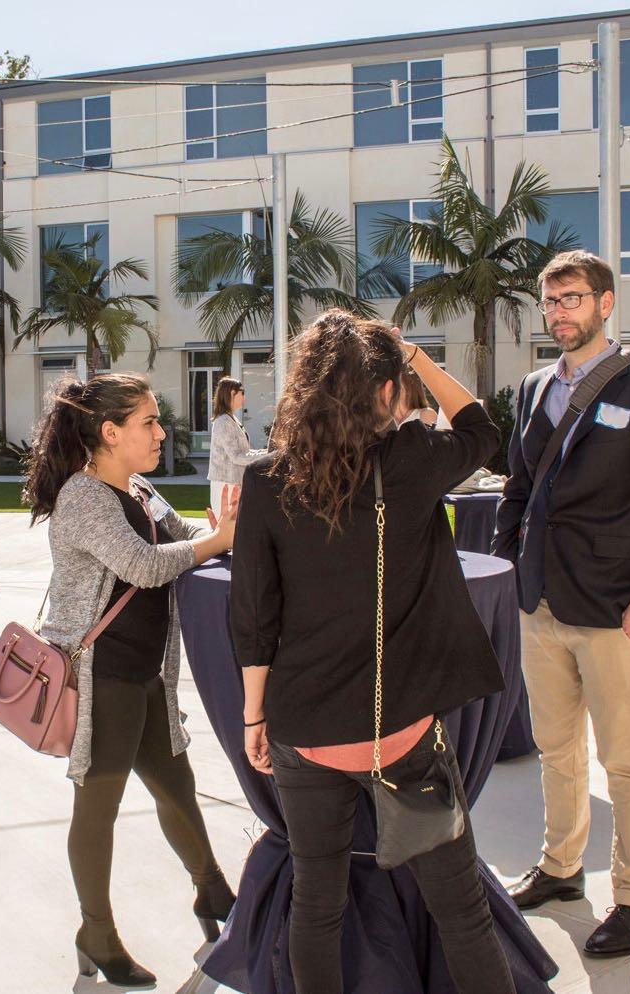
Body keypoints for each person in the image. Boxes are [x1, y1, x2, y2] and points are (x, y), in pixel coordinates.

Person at [231, 310, 515, 994]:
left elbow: (253, 619)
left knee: (317, 905)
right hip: (401, 729)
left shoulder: (265, 480)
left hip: (305, 732)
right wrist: (415, 357)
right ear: (386, 391)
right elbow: (482, 428)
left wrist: (252, 720)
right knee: (462, 913)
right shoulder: (413, 462)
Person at [494, 250, 630, 958]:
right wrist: (510, 562)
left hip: (618, 611)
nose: (559, 313)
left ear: (606, 304)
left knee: (626, 760)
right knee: (557, 751)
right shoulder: (531, 387)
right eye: (551, 302)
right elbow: (519, 487)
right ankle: (560, 869)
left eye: (573, 299)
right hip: (541, 605)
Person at [25, 373, 239, 989]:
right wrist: (214, 543)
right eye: (148, 421)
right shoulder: (84, 498)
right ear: (109, 432)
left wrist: (221, 533)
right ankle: (96, 932)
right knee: (98, 808)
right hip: (102, 679)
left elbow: (185, 541)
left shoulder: (140, 490)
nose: (159, 431)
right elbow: (145, 567)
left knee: (178, 790)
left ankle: (214, 895)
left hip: (148, 676)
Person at [207, 376, 264, 501]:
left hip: (234, 483)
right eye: (242, 392)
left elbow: (244, 452)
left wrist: (266, 452)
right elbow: (237, 456)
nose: (244, 397)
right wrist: (267, 455)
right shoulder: (223, 421)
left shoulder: (231, 419)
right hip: (226, 486)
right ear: (232, 393)